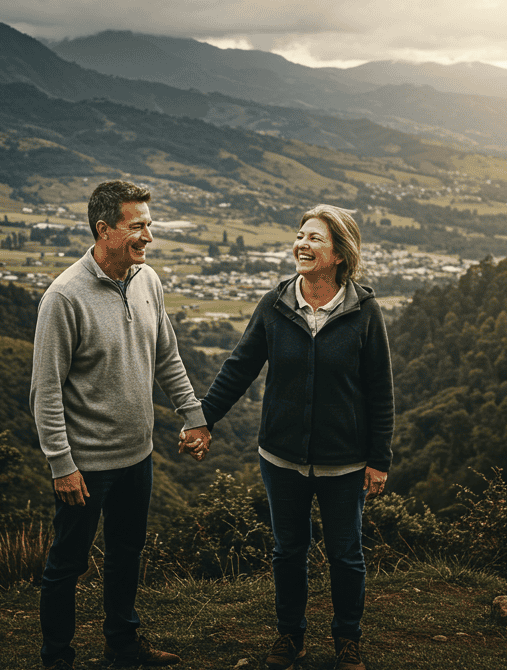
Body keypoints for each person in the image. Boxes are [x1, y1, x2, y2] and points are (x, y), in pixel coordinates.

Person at [189, 204, 394, 670]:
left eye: (315, 238)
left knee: (346, 554)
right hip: (281, 458)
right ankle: (290, 637)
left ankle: (347, 639)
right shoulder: (276, 304)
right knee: (288, 552)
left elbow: (381, 391)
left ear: (340, 253)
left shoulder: (365, 311)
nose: (302, 244)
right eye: (300, 235)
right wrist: (203, 419)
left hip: (345, 461)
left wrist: (378, 459)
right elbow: (239, 368)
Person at [30, 179, 213, 670]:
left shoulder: (147, 279)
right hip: (85, 466)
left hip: (138, 456)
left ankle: (123, 647)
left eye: (149, 226)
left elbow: (167, 356)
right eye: (137, 227)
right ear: (103, 229)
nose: (148, 236)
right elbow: (44, 391)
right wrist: (61, 465)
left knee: (126, 552)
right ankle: (57, 660)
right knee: (67, 565)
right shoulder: (64, 298)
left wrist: (193, 416)